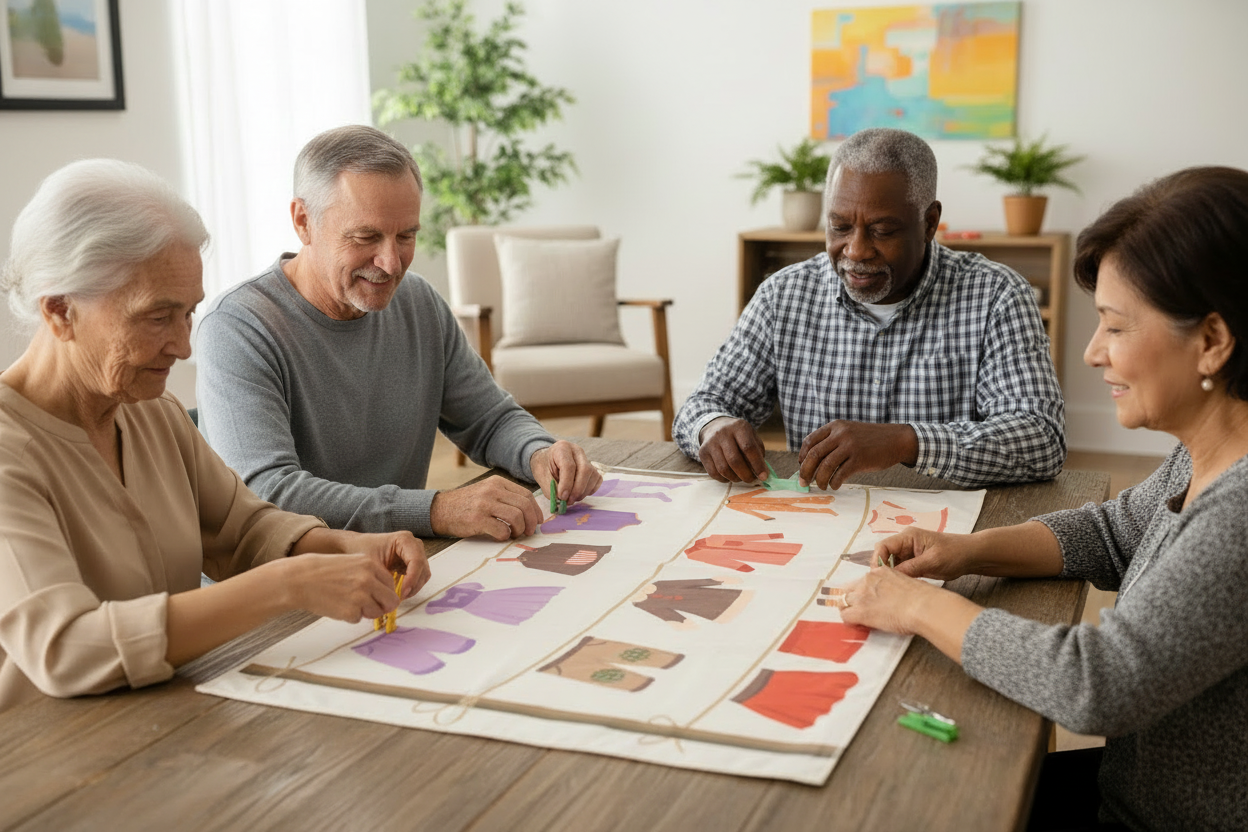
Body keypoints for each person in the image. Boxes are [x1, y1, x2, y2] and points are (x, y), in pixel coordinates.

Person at [838, 167, 1248, 831]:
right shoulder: (1205, 451)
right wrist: (966, 549)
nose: (1091, 353)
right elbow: (1117, 532)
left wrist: (917, 604)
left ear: (1210, 343)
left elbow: (1098, 682)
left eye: (1115, 327)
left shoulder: (1241, 511)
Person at [0, 160, 431, 712]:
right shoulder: (13, 451)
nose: (183, 347)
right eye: (157, 318)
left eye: (189, 314)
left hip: (169, 724)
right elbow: (65, 647)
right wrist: (289, 584)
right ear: (60, 310)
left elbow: (244, 530)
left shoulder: (152, 413)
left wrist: (348, 548)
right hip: (46, 761)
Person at [195, 125, 600, 543]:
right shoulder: (237, 328)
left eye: (406, 236)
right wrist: (436, 509)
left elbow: (489, 419)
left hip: (395, 563)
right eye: (366, 236)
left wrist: (538, 452)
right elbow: (269, 494)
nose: (391, 263)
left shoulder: (418, 302)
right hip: (279, 588)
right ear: (303, 222)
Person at [674, 127, 1065, 489]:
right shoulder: (784, 295)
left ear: (929, 223)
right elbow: (703, 405)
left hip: (948, 536)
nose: (856, 251)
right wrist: (714, 426)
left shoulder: (996, 295)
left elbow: (1040, 438)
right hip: (821, 523)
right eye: (840, 227)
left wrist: (904, 442)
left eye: (883, 230)